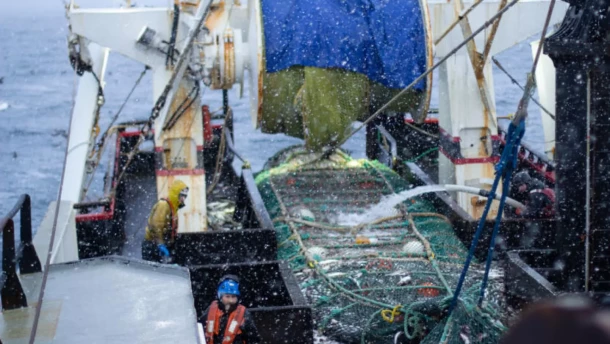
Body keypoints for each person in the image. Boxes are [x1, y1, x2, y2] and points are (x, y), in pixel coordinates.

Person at [202, 275, 261, 344]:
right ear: (220, 296)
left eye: (233, 297)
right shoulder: (210, 311)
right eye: (227, 296)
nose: (230, 300)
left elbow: (253, 339)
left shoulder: (244, 314)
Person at [142, 179, 189, 262]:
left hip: (159, 245)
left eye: (185, 196)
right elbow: (156, 225)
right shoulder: (164, 205)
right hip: (153, 245)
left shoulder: (173, 208)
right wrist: (160, 244)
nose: (183, 198)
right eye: (182, 195)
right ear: (176, 194)